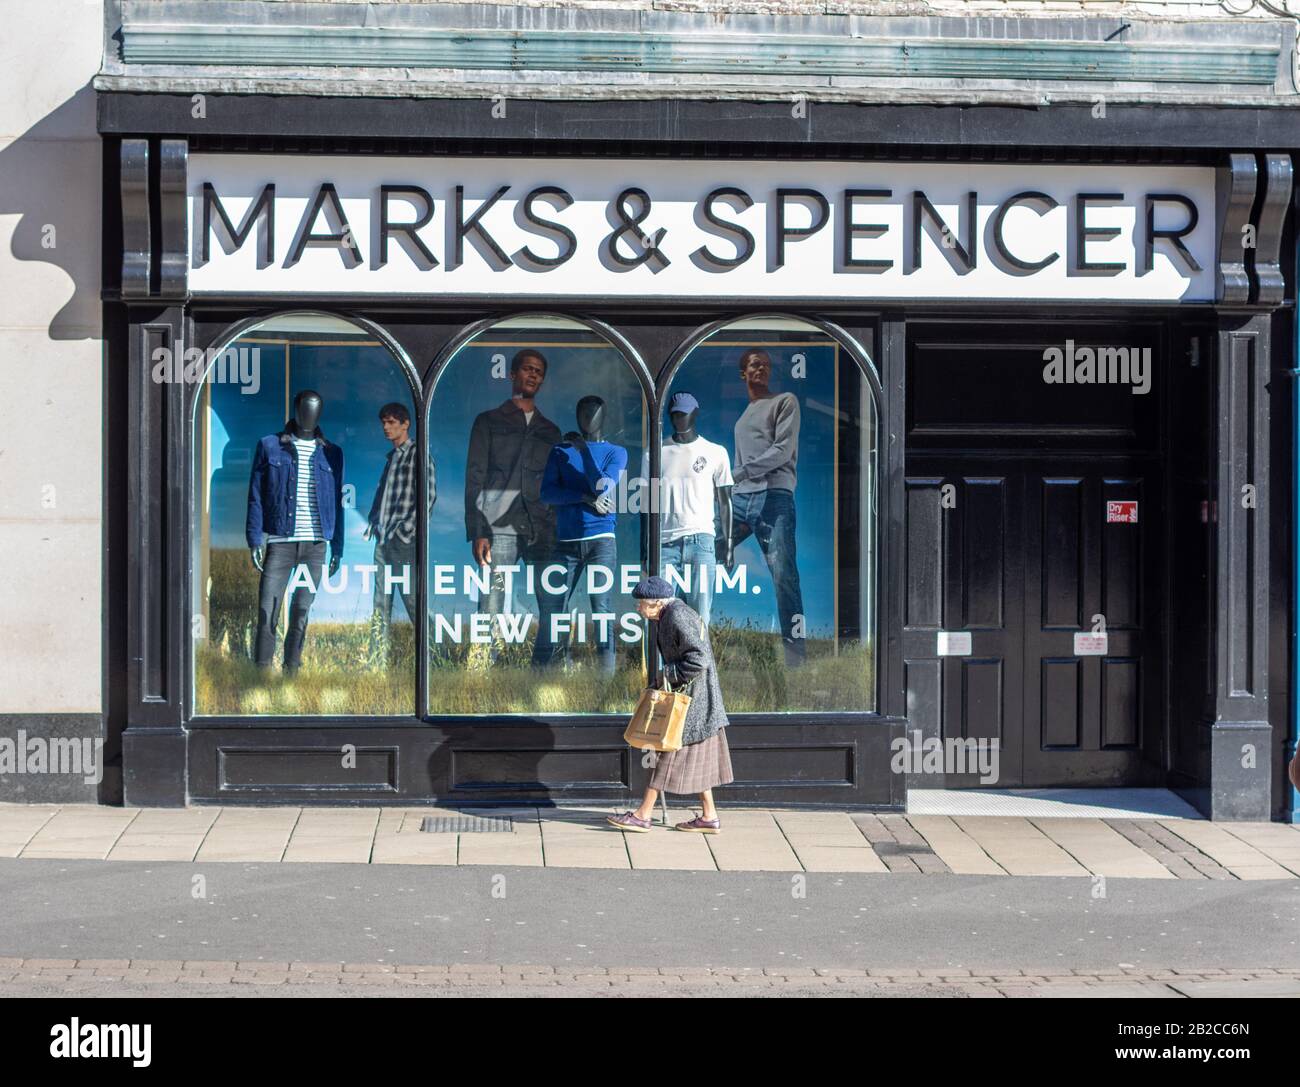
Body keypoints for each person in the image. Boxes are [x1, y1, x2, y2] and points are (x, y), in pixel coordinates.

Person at [607, 576, 734, 834]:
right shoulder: (669, 615)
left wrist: (667, 675)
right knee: (698, 759)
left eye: (641, 603)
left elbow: (699, 659)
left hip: (693, 705)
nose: (638, 608)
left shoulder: (677, 616)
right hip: (696, 703)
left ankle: (643, 815)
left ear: (655, 604)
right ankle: (709, 816)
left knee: (667, 756)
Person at [463, 348, 562, 664]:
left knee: (550, 602)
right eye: (527, 369)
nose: (533, 375)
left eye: (539, 372)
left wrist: (556, 524)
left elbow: (557, 485)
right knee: (491, 600)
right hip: (499, 525)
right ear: (512, 374)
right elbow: (475, 477)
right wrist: (479, 530)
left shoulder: (550, 431)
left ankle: (542, 670)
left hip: (541, 527)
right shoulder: (488, 421)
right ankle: (484, 666)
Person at [730, 347, 806, 666]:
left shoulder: (785, 401)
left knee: (784, 575)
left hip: (774, 497)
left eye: (766, 365)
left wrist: (742, 472)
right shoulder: (743, 416)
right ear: (743, 373)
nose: (761, 369)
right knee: (705, 550)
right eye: (754, 365)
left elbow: (782, 450)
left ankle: (796, 657)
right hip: (741, 499)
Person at [365, 402, 435, 667]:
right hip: (383, 541)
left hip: (403, 542)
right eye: (384, 422)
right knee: (380, 605)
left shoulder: (418, 453)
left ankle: (431, 662)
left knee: (414, 602)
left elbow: (428, 496)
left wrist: (407, 530)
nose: (386, 427)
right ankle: (376, 663)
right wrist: (374, 521)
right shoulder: (391, 458)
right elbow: (383, 495)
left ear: (405, 424)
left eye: (392, 422)